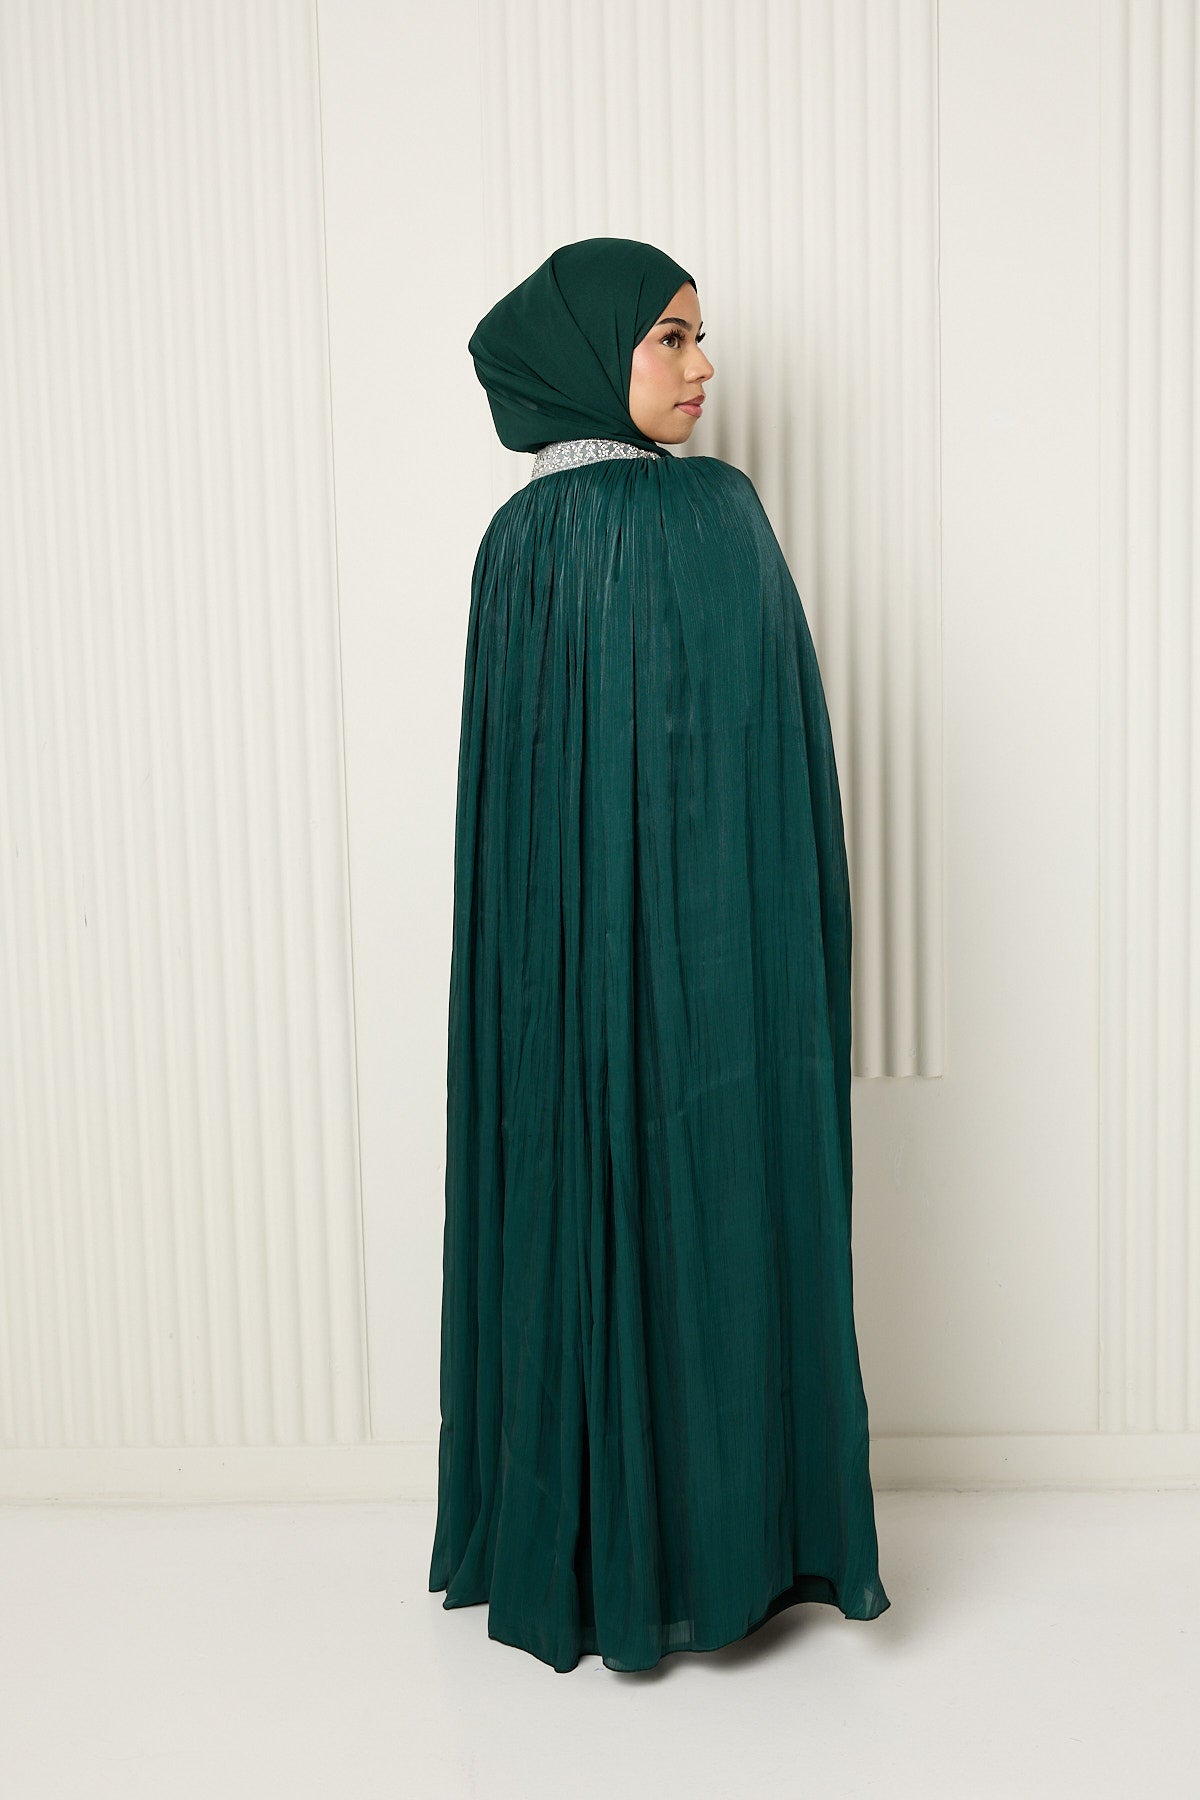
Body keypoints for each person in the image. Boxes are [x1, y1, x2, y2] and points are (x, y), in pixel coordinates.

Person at [428, 236, 891, 1673]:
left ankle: (600, 1542)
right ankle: (728, 1537)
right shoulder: (682, 522)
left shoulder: (534, 541)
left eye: (700, 336)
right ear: (592, 356)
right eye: (670, 337)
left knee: (610, 1194)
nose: (703, 366)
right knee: (715, 1203)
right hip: (716, 974)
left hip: (594, 983)